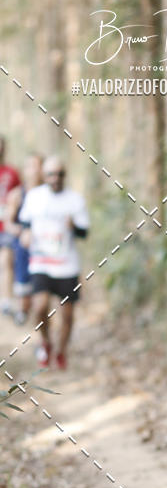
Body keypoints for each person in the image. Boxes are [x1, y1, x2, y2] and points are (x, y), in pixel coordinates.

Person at [19, 156, 90, 369]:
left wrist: (73, 227)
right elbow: (25, 222)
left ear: (64, 176)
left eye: (59, 174)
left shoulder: (75, 200)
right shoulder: (34, 197)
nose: (55, 178)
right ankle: (46, 343)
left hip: (67, 264)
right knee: (40, 306)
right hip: (41, 262)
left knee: (67, 315)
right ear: (44, 176)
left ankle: (61, 350)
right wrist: (26, 233)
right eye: (51, 174)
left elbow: (84, 232)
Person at [4, 153, 44, 325]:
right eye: (30, 166)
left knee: (42, 299)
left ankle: (42, 339)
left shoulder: (48, 193)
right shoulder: (17, 195)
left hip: (45, 250)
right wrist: (20, 232)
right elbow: (8, 222)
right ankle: (20, 308)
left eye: (37, 166)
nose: (33, 170)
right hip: (23, 249)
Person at [0, 137, 21, 316]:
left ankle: (6, 300)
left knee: (6, 260)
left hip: (5, 226)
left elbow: (21, 194)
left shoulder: (12, 172)